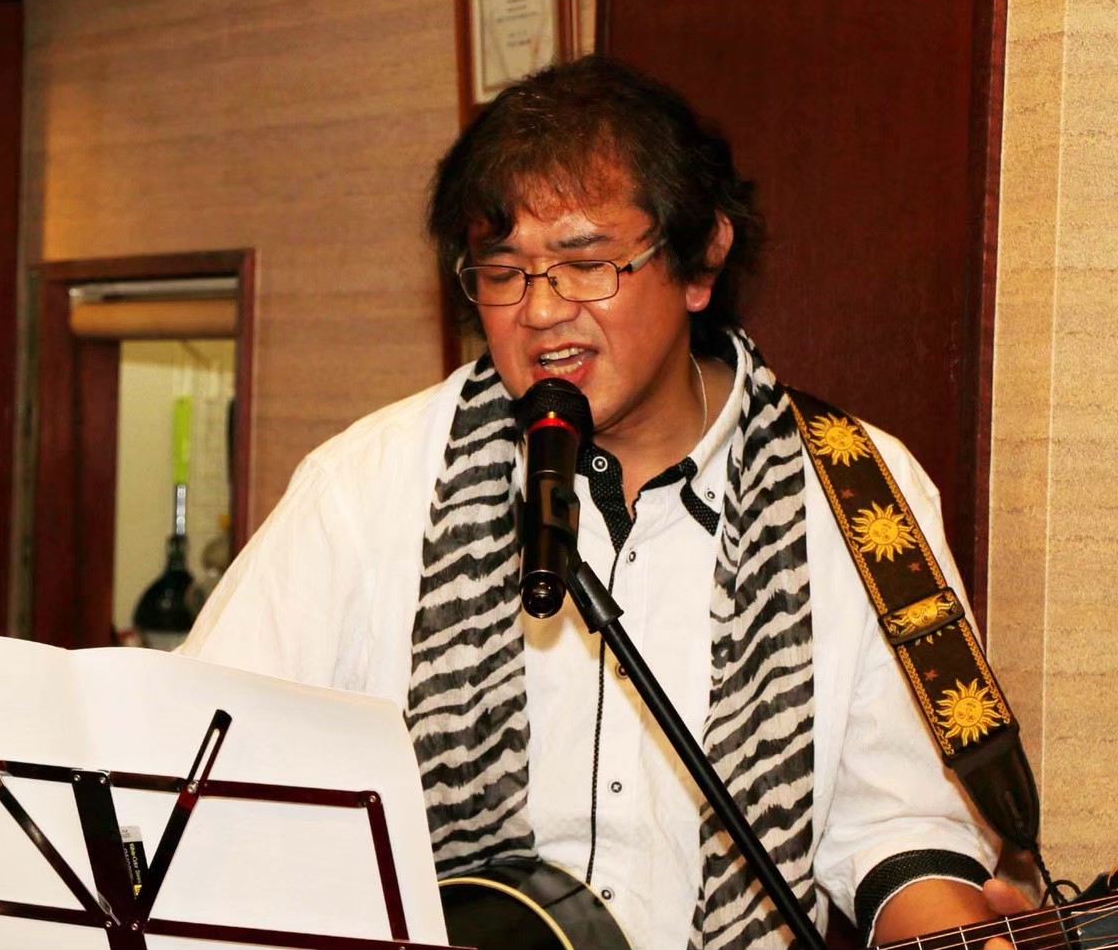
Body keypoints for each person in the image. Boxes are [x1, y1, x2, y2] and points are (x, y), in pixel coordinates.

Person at [181, 55, 1023, 948]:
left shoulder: (858, 492)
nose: (541, 311)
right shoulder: (370, 484)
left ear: (700, 259)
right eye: (502, 271)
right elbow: (191, 761)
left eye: (586, 265)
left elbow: (899, 826)